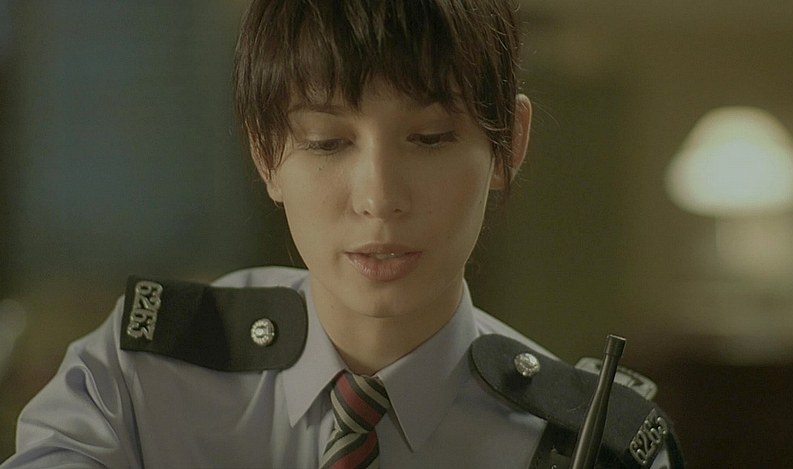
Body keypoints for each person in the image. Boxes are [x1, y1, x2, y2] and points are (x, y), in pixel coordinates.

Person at [2, 1, 683, 468]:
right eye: (327, 142)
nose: (379, 198)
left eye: (430, 138)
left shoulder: (591, 446)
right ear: (265, 154)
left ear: (510, 144)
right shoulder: (141, 379)